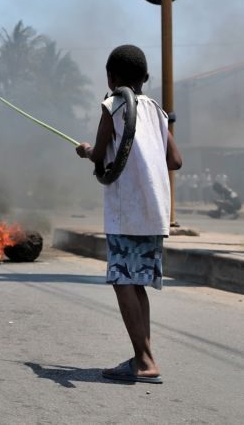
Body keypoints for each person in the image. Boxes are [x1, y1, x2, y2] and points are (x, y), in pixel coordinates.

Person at [76, 44, 182, 384]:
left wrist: (88, 151)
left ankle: (145, 359)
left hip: (126, 211)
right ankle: (142, 356)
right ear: (146, 78)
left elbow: (98, 155)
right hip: (154, 211)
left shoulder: (113, 104)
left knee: (123, 282)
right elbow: (175, 161)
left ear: (111, 78)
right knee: (136, 284)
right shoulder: (157, 111)